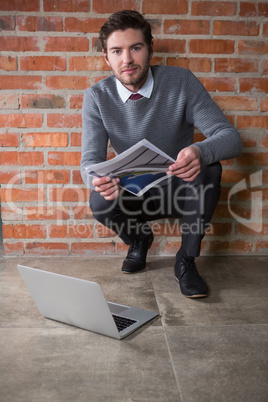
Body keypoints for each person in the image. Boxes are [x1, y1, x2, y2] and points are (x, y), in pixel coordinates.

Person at [81, 10, 243, 298]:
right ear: (107, 58)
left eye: (136, 48)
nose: (127, 59)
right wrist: (97, 179)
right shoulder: (97, 96)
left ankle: (186, 260)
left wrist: (198, 150)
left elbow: (230, 137)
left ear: (150, 49)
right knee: (98, 199)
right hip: (134, 192)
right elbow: (89, 162)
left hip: (180, 189)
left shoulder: (181, 81)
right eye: (117, 51)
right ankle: (140, 239)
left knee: (210, 167)